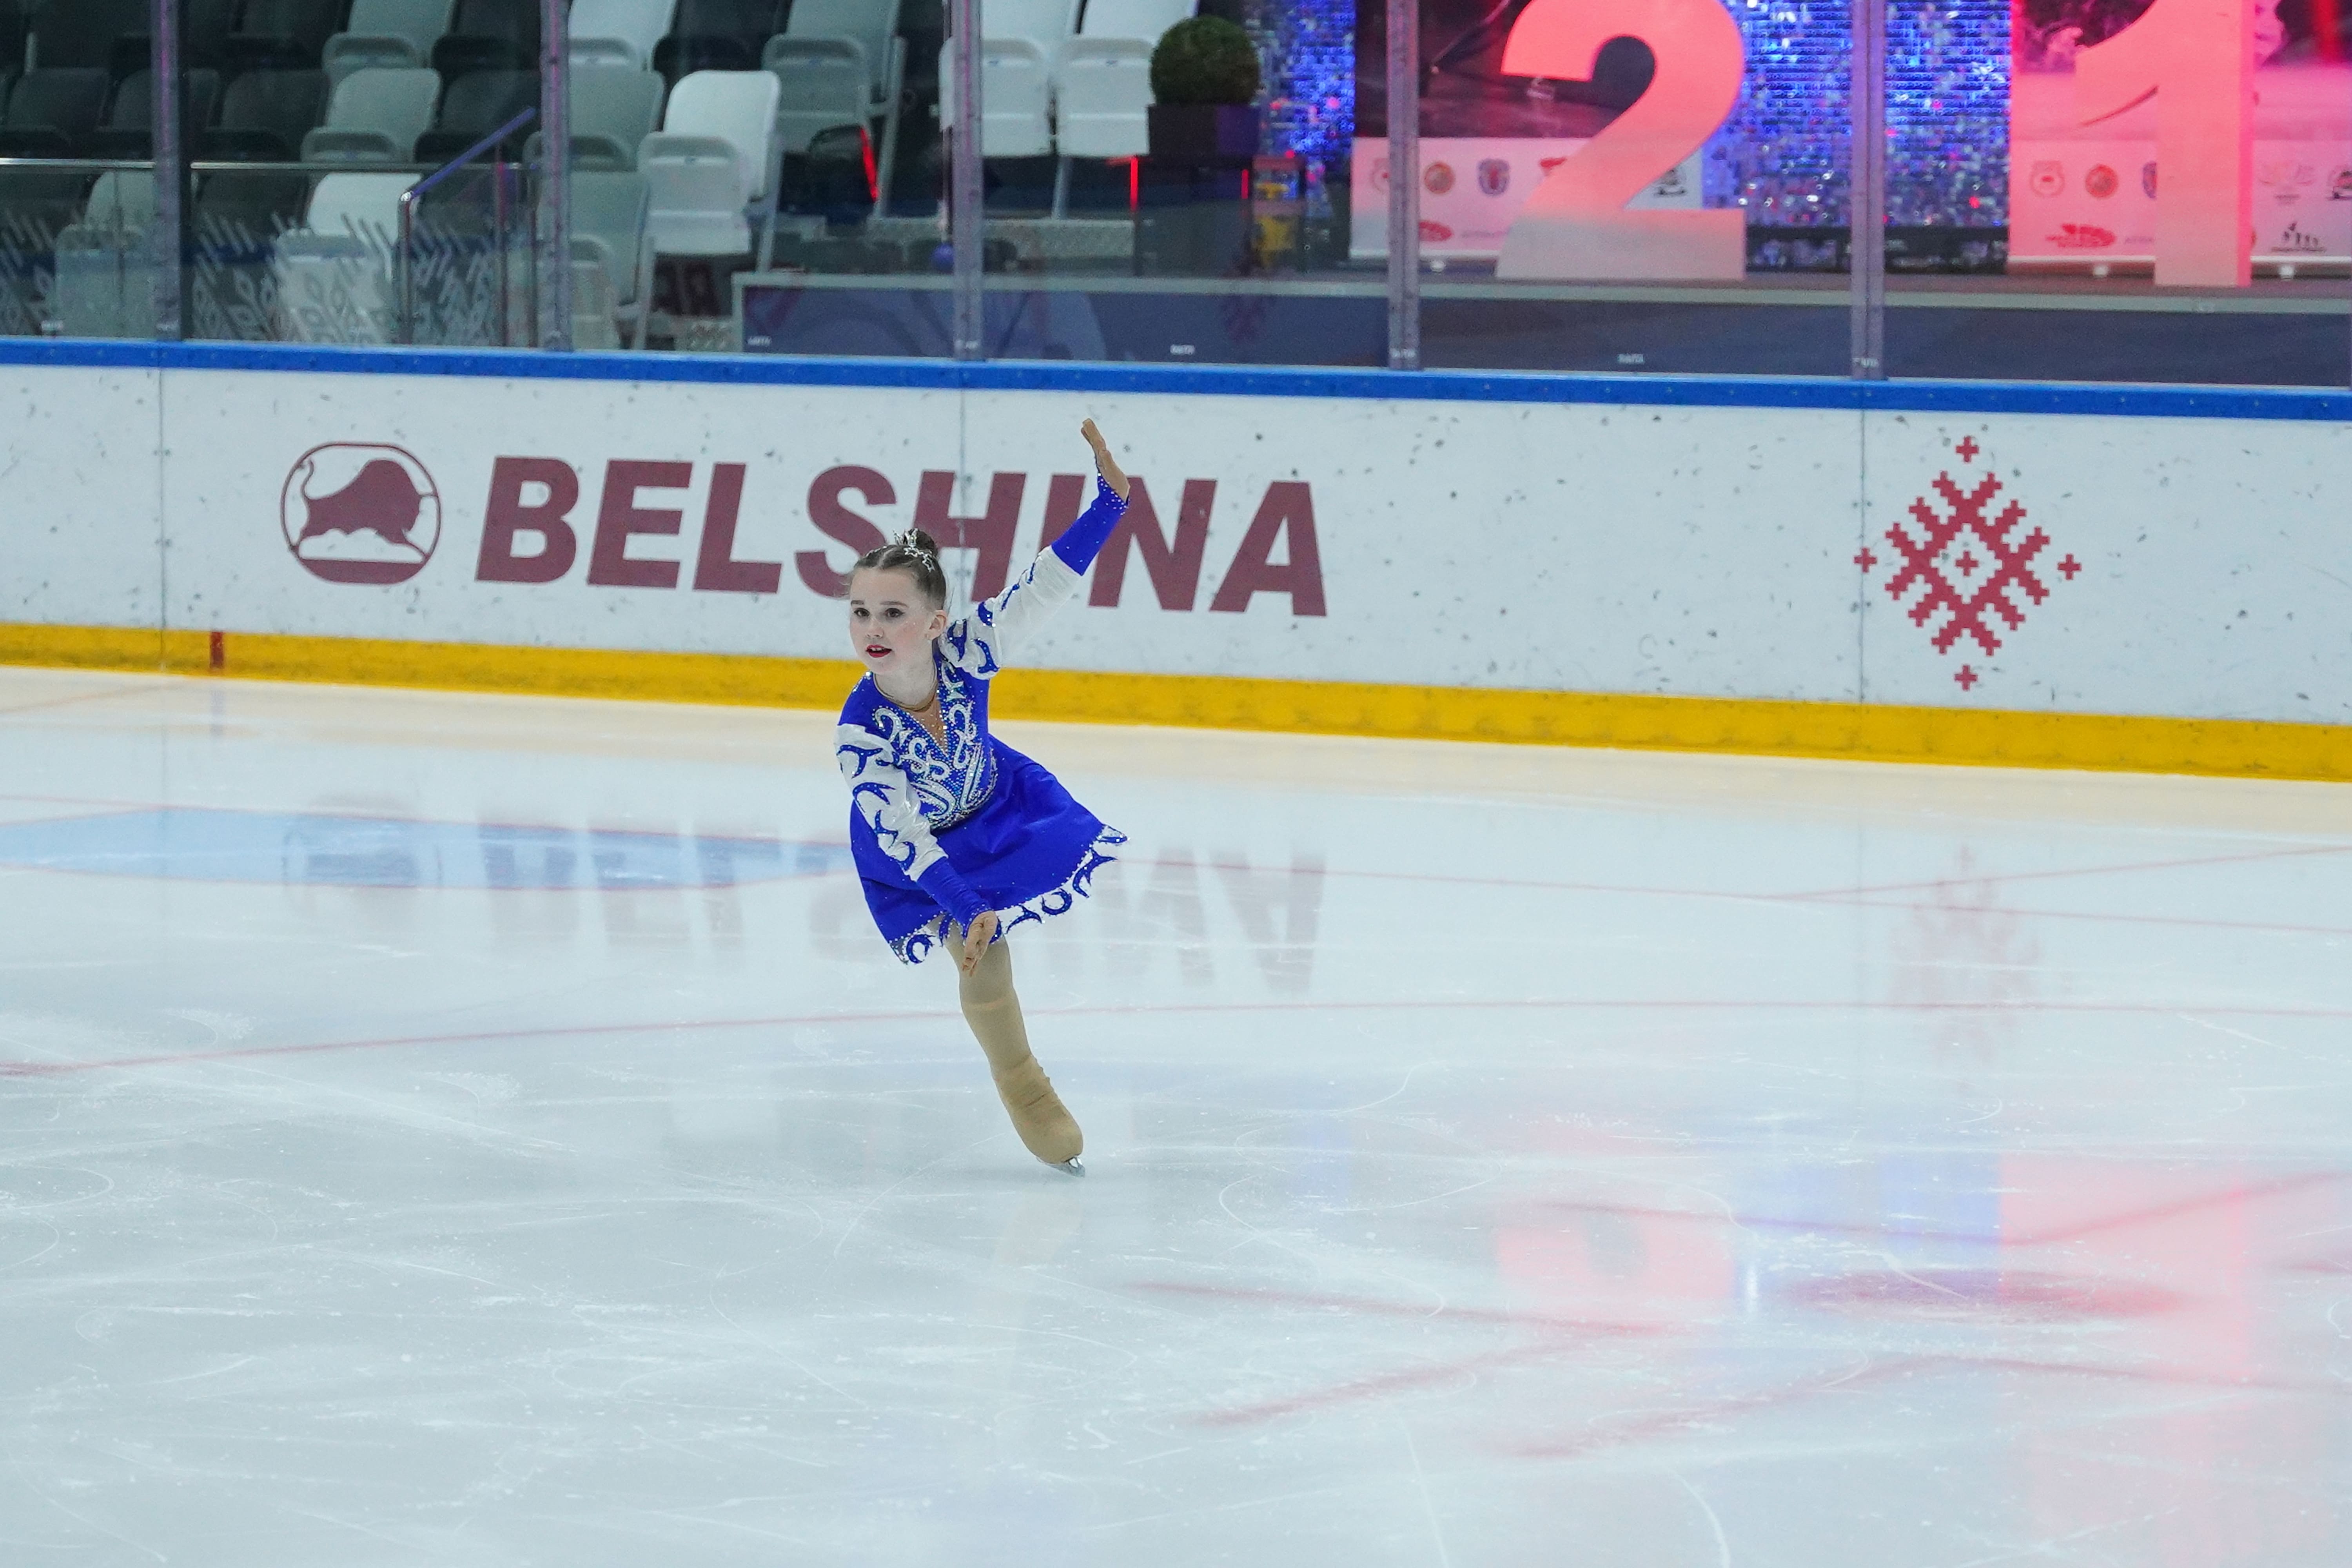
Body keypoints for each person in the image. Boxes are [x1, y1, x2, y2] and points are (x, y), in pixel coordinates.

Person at [835, 420, 1134, 1176]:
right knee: (986, 963)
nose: (873, 628)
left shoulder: (969, 649)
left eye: (893, 613)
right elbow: (904, 837)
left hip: (999, 805)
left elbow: (1044, 587)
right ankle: (1026, 1088)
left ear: (935, 624)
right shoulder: (860, 733)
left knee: (988, 944)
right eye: (861, 612)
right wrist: (967, 908)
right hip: (920, 850)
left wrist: (1109, 506)